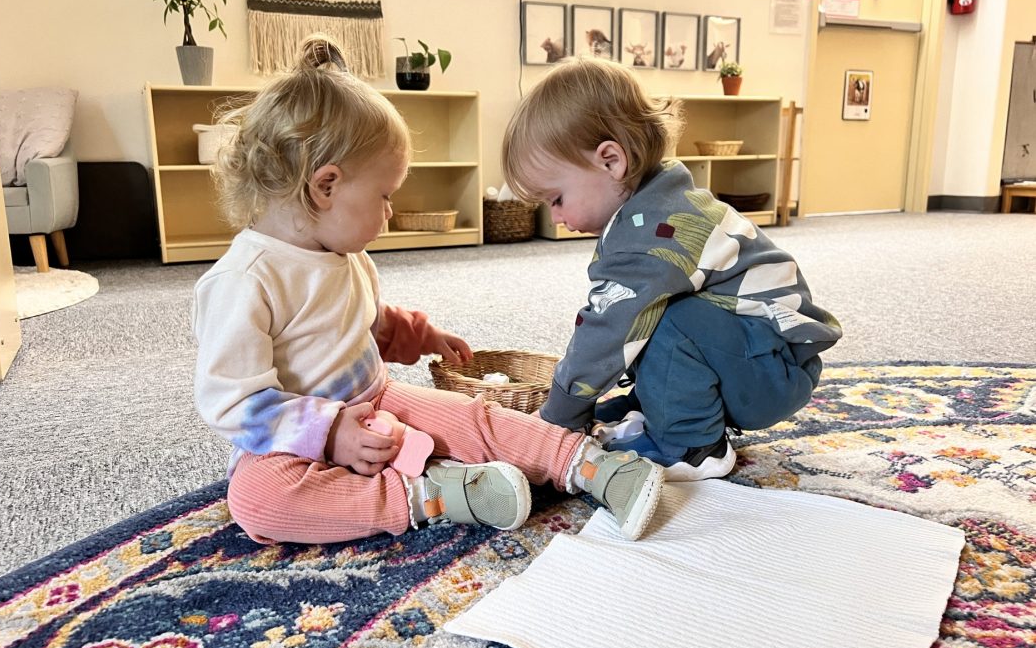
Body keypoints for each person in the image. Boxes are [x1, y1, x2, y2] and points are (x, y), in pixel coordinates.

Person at [193, 36, 665, 545]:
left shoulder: (346, 255)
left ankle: (591, 467)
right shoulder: (243, 281)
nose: (390, 212)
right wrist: (330, 432)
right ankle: (434, 494)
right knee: (257, 499)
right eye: (384, 195)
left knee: (474, 418)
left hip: (378, 399)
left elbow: (366, 322)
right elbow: (235, 404)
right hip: (297, 441)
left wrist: (417, 334)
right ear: (325, 187)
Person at [501, 57, 842, 480]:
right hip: (758, 357)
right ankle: (659, 409)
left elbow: (605, 332)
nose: (555, 217)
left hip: (769, 374)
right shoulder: (655, 204)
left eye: (556, 199)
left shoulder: (651, 234)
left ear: (611, 161)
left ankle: (691, 446)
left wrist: (559, 414)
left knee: (657, 321)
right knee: (659, 315)